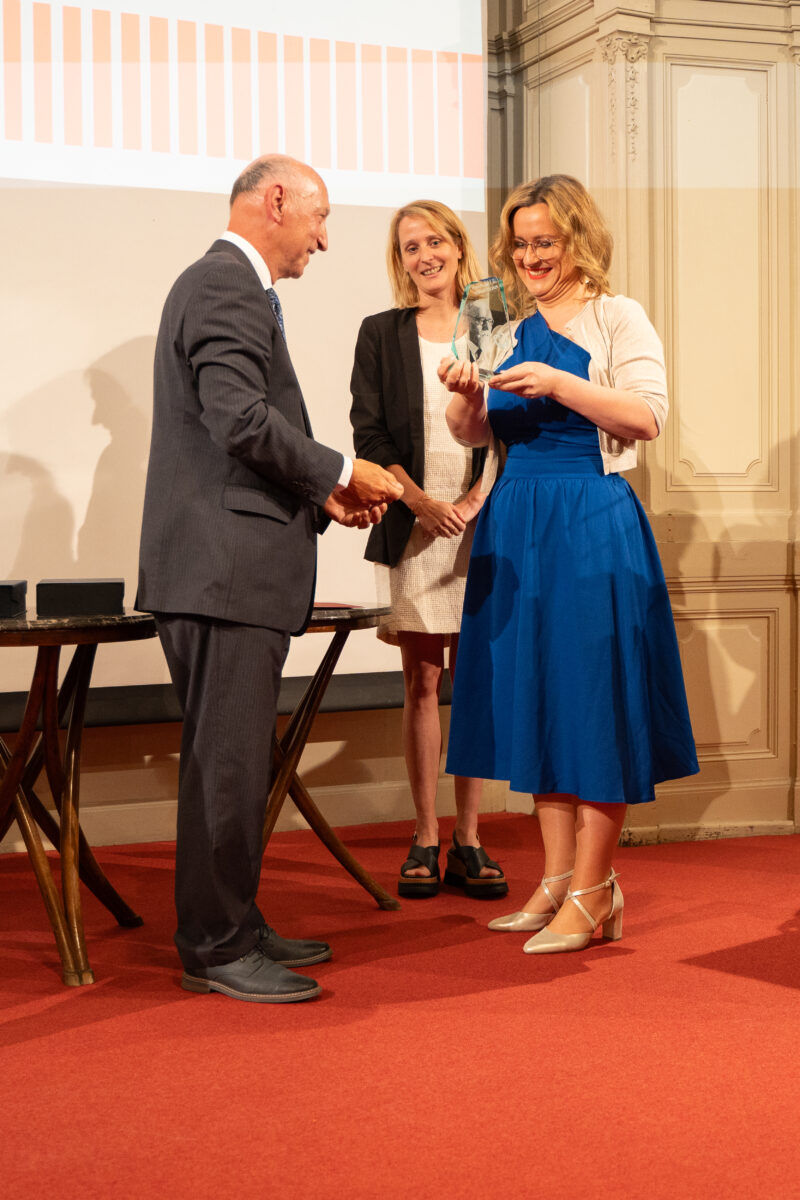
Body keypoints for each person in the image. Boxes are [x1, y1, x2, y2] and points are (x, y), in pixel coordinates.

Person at [137, 154, 403, 1002]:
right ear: (275, 199)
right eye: (320, 218)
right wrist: (340, 472)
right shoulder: (225, 284)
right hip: (222, 572)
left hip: (228, 569)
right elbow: (238, 418)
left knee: (237, 760)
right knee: (227, 763)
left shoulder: (233, 288)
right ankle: (214, 947)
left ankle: (235, 923)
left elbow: (242, 431)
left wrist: (325, 491)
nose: (324, 240)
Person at [439, 174, 698, 952]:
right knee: (541, 700)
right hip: (516, 527)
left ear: (577, 240)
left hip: (589, 519)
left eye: (543, 242)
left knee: (592, 702)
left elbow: (646, 415)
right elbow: (476, 433)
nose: (529, 257)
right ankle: (555, 884)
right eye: (519, 245)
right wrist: (462, 394)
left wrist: (563, 382)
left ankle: (595, 890)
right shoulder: (502, 327)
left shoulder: (618, 317)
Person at [349, 200, 507, 900]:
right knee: (420, 682)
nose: (424, 256)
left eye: (434, 241)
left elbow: (511, 427)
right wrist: (420, 504)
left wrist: (471, 505)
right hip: (416, 522)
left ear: (457, 245)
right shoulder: (380, 333)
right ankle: (424, 835)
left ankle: (469, 838)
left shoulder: (493, 324)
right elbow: (369, 435)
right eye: (410, 247)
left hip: (484, 521)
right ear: (400, 260)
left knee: (471, 682)